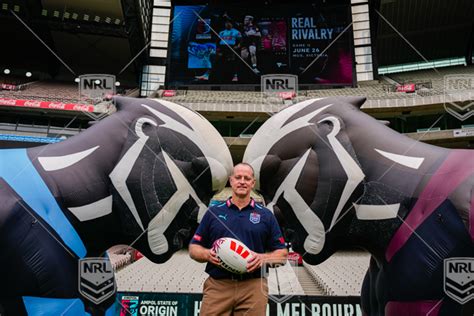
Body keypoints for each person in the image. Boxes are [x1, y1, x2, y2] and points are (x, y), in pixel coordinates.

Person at [189, 163, 288, 315]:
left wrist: (263, 258)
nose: (242, 181)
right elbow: (194, 248)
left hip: (253, 287)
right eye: (238, 177)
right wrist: (207, 254)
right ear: (231, 181)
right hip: (218, 285)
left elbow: (282, 254)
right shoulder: (213, 212)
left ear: (252, 183)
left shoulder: (266, 215)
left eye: (247, 178)